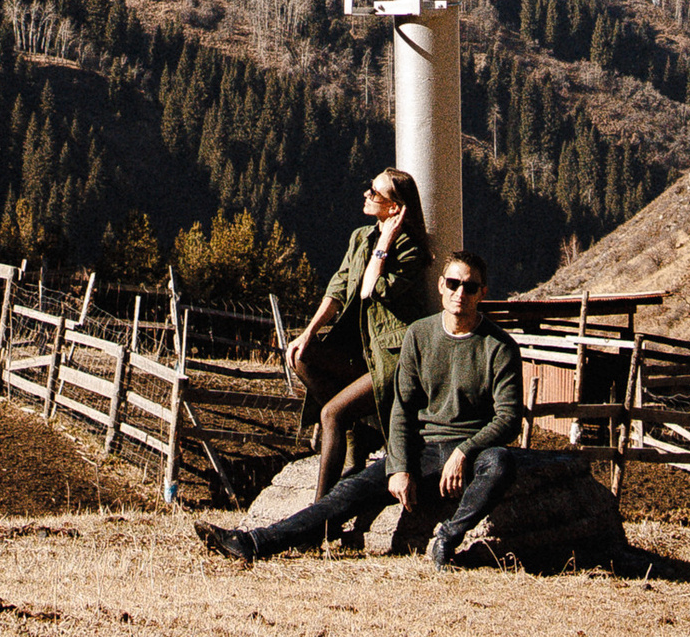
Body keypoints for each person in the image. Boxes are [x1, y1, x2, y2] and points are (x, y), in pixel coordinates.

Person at [199, 246, 523, 567]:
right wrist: (398, 467)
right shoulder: (419, 335)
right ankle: (253, 541)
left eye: (469, 287)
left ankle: (448, 538)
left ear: (482, 292)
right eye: (453, 283)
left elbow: (508, 418)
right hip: (421, 451)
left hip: (470, 455)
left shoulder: (499, 347)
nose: (459, 293)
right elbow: (403, 409)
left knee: (500, 461)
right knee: (345, 494)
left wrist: (465, 451)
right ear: (441, 286)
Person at [278, 166, 439, 507]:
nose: (366, 194)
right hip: (360, 351)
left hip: (392, 359)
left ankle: (320, 514)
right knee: (300, 355)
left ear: (394, 208)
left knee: (332, 414)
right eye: (369, 188)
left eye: (375, 193)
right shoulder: (358, 238)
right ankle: (357, 432)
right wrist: (309, 333)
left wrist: (384, 243)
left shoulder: (409, 250)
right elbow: (337, 288)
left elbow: (368, 290)